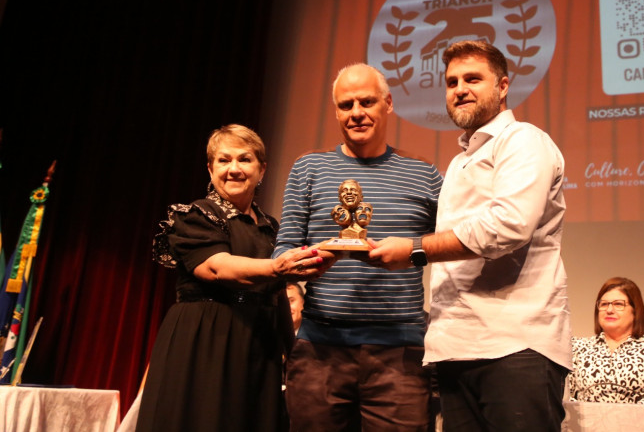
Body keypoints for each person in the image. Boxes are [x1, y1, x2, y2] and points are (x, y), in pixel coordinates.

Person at [369, 40, 572, 431]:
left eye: (473, 79)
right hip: (456, 346)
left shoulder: (524, 140)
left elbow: (508, 225)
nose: (459, 88)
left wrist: (414, 250)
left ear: (503, 86)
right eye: (451, 82)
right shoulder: (461, 161)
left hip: (516, 344)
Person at [273, 63, 443, 431]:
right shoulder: (308, 168)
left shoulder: (424, 173)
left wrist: (410, 248)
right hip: (319, 348)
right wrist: (305, 262)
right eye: (346, 105)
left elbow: (447, 246)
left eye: (366, 102)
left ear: (388, 103)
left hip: (400, 353)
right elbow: (284, 247)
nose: (356, 113)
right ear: (335, 111)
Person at [136, 124, 330, 432]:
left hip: (258, 346)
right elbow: (216, 267)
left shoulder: (270, 227)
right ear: (210, 169)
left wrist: (294, 356)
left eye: (244, 159)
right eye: (224, 160)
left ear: (262, 169)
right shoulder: (194, 216)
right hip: (203, 341)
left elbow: (277, 294)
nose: (234, 169)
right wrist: (275, 268)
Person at [567, 277, 644, 405]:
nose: (609, 310)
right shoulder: (577, 348)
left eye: (618, 304)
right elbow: (563, 396)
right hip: (588, 423)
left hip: (642, 423)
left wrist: (626, 416)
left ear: (635, 310)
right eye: (604, 304)